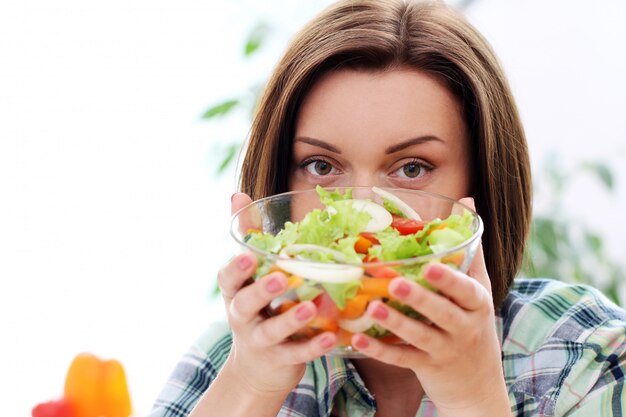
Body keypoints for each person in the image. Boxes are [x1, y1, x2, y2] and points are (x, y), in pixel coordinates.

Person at [148, 0, 626, 416]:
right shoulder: (225, 356)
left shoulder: (586, 356)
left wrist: (473, 401)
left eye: (412, 168)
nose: (365, 210)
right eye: (320, 165)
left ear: (481, 183)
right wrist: (251, 386)